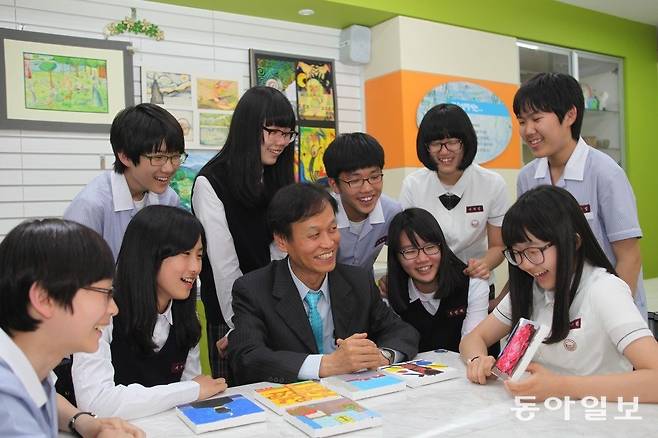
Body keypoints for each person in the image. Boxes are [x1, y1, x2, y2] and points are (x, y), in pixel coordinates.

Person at [459, 185, 658, 402]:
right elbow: (473, 338)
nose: (525, 264)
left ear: (573, 242)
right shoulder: (531, 287)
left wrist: (560, 387)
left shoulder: (604, 289)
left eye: (533, 251)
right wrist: (478, 360)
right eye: (516, 254)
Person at [228, 183, 419, 385]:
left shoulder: (357, 281)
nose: (328, 243)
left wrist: (381, 356)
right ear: (283, 241)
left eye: (333, 228)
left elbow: (401, 331)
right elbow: (247, 357)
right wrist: (327, 365)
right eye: (314, 235)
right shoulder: (253, 289)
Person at [72, 206, 227, 419]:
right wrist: (190, 390)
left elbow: (192, 398)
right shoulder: (102, 313)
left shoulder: (188, 316)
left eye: (199, 256)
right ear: (149, 256)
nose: (195, 267)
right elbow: (96, 403)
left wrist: (192, 390)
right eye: (185, 254)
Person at [514, 72, 646, 321]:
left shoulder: (605, 173)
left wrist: (615, 317)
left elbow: (629, 257)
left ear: (570, 115)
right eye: (522, 121)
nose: (528, 130)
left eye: (536, 119)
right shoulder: (527, 178)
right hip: (554, 307)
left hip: (606, 309)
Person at [0, 219, 143, 437]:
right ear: (44, 299)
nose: (113, 309)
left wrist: (86, 423)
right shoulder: (8, 411)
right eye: (104, 293)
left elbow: (45, 396)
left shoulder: (30, 364)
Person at [192, 86, 296, 380]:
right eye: (273, 131)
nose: (281, 142)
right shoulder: (211, 183)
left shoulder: (277, 176)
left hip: (276, 312)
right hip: (232, 317)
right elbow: (224, 267)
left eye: (287, 134)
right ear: (248, 128)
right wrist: (242, 325)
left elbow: (282, 250)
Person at [399, 103, 508, 289]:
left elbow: (498, 246)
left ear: (466, 142)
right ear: (426, 147)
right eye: (435, 143)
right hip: (427, 285)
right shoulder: (413, 185)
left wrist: (483, 265)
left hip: (476, 283)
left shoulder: (492, 184)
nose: (444, 151)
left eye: (452, 142)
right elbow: (406, 243)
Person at [64, 103, 184, 260]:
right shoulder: (90, 206)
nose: (169, 168)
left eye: (175, 156)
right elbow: (74, 275)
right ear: (125, 156)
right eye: (158, 158)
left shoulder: (169, 199)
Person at [386, 208, 489, 353]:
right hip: (417, 374)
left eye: (430, 247)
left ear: (442, 247)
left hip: (471, 370)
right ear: (396, 257)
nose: (422, 259)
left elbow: (472, 340)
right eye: (410, 251)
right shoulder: (390, 292)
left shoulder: (473, 283)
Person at [323, 132, 401, 271]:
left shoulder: (391, 212)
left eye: (375, 176)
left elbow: (406, 251)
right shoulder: (322, 214)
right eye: (355, 180)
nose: (367, 188)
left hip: (365, 287)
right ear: (334, 184)